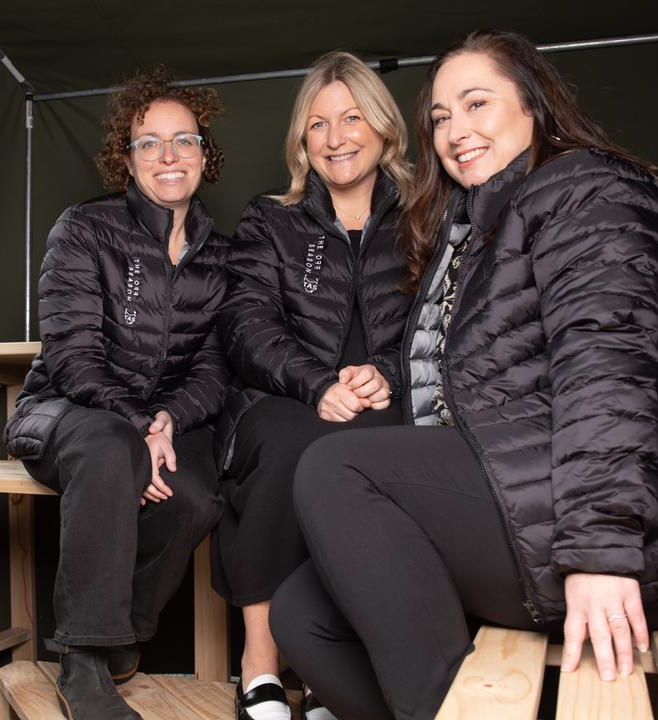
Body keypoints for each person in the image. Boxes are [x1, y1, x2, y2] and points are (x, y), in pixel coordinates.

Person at [269, 30, 658, 720]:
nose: (455, 130)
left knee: (335, 469)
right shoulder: (477, 226)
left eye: (477, 103)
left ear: (534, 105)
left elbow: (607, 367)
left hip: (644, 534)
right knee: (301, 616)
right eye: (441, 117)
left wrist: (601, 552)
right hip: (540, 491)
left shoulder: (588, 189)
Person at [3, 67, 230, 720]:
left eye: (183, 140)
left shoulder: (224, 254)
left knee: (198, 493)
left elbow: (215, 368)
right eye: (148, 142)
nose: (168, 155)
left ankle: (124, 629)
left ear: (204, 153)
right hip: (69, 414)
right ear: (124, 158)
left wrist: (164, 424)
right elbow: (72, 357)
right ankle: (85, 662)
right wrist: (138, 428)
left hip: (154, 424)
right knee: (109, 450)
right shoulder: (83, 229)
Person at [212, 51, 413, 720]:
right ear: (302, 139)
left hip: (386, 400)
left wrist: (389, 371)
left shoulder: (427, 216)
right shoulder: (273, 218)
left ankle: (332, 666)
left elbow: (448, 322)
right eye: (318, 124)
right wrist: (315, 381)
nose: (336, 139)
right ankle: (261, 665)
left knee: (372, 461)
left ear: (383, 127)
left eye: (352, 118)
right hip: (280, 398)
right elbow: (244, 324)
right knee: (298, 446)